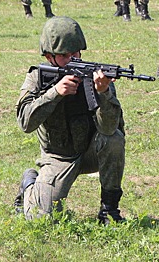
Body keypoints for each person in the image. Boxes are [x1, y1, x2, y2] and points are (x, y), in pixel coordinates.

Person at [14, 16, 126, 225]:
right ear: (49, 57)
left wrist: (103, 94)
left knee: (114, 139)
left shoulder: (97, 76)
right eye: (65, 56)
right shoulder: (37, 78)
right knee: (40, 219)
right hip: (58, 156)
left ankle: (109, 210)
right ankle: (30, 183)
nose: (74, 60)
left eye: (76, 54)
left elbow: (110, 128)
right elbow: (25, 122)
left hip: (92, 152)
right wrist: (55, 93)